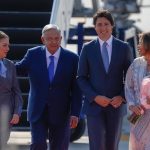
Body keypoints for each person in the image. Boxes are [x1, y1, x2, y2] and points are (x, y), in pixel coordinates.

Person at [16, 24, 82, 150]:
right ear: (43, 39)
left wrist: (75, 113)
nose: (53, 41)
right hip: (37, 110)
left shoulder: (72, 58)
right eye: (49, 38)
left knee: (59, 147)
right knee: (38, 144)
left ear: (61, 38)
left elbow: (77, 89)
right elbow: (17, 70)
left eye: (56, 38)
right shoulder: (33, 54)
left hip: (62, 112)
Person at [77, 9, 133, 150]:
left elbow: (131, 78)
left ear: (112, 26)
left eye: (106, 24)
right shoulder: (87, 48)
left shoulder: (124, 48)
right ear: (95, 27)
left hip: (116, 106)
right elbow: (81, 78)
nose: (103, 28)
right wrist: (95, 97)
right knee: (97, 146)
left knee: (112, 146)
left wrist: (121, 97)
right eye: (99, 24)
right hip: (94, 106)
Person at [125, 32, 150, 150]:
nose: (138, 46)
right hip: (138, 116)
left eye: (140, 43)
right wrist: (131, 105)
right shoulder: (136, 63)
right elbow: (128, 87)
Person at [0, 31, 23, 149]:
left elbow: (16, 91)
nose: (8, 48)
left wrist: (16, 112)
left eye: (8, 45)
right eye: (4, 45)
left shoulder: (10, 65)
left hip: (6, 116)